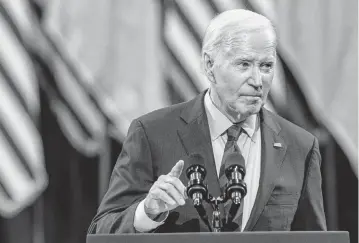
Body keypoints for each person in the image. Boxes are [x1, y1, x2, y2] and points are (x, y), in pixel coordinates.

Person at [88, 9, 327, 233]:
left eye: (266, 66)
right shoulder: (151, 134)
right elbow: (102, 230)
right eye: (244, 65)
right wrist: (147, 212)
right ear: (209, 66)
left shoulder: (300, 146)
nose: (258, 80)